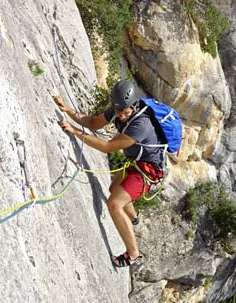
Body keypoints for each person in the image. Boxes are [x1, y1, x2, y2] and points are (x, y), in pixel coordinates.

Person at [54, 79, 165, 268]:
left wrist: (74, 131)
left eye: (125, 113)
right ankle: (133, 218)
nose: (120, 117)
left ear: (135, 105)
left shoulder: (141, 125)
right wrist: (68, 110)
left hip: (149, 171)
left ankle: (133, 254)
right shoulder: (117, 109)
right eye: (118, 112)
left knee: (114, 203)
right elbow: (93, 123)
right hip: (136, 163)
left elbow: (107, 147)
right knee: (114, 188)